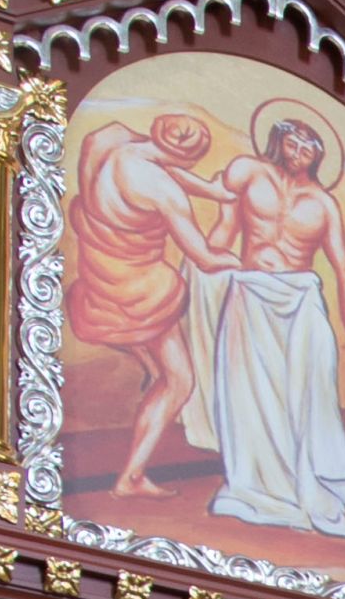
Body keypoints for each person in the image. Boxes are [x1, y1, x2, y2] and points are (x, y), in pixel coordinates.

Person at [187, 110, 345, 537]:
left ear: (319, 154)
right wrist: (200, 267)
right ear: (277, 139)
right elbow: (223, 228)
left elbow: (344, 273)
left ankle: (306, 485)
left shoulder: (324, 205)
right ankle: (253, 488)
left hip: (301, 301)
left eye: (310, 144)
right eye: (294, 139)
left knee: (306, 395)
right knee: (247, 393)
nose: (300, 148)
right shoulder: (249, 173)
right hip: (250, 294)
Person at [65, 108, 228, 498]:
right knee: (179, 379)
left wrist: (213, 191)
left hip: (100, 277)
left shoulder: (110, 140)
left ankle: (147, 365)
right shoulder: (162, 190)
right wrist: (246, 266)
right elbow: (205, 257)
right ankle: (131, 478)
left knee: (153, 360)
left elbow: (164, 165)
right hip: (137, 291)